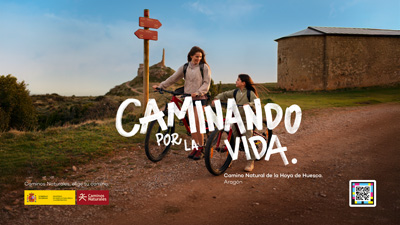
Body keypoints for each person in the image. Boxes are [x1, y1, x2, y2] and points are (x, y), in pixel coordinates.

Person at [152, 46, 211, 160]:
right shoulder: (185, 67)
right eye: (196, 56)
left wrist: (198, 92)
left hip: (199, 97)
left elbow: (206, 83)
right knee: (191, 125)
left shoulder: (204, 67)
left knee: (197, 123)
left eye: (200, 57)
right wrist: (161, 86)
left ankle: (201, 147)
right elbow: (173, 78)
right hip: (188, 98)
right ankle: (196, 146)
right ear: (191, 56)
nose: (198, 59)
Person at [213, 74, 259, 172]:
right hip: (236, 119)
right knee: (233, 139)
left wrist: (249, 104)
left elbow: (256, 102)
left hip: (246, 120)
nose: (236, 81)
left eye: (238, 80)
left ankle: (250, 161)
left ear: (243, 83)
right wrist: (217, 98)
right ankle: (230, 159)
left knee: (247, 140)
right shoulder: (235, 92)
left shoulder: (249, 93)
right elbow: (224, 94)